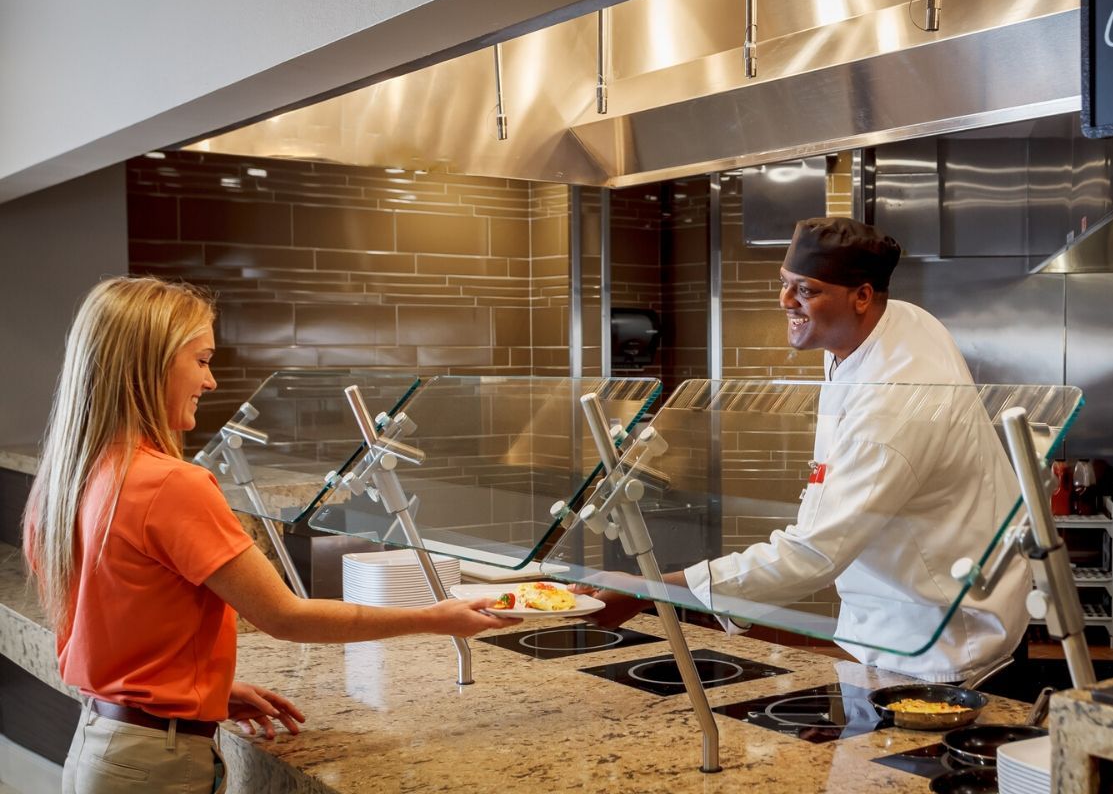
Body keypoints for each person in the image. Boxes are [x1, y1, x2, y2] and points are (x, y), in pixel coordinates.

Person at [23, 276, 518, 794]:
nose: (211, 382)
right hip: (153, 764)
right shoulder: (170, 484)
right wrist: (434, 618)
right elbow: (285, 616)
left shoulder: (70, 479)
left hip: (101, 743)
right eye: (202, 360)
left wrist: (201, 691)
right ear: (149, 364)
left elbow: (119, 624)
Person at [582, 217, 1032, 683]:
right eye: (784, 283)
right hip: (893, 622)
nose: (785, 301)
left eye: (806, 290)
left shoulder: (893, 404)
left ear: (862, 296)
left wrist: (650, 591)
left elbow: (816, 554)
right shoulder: (890, 324)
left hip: (941, 646)